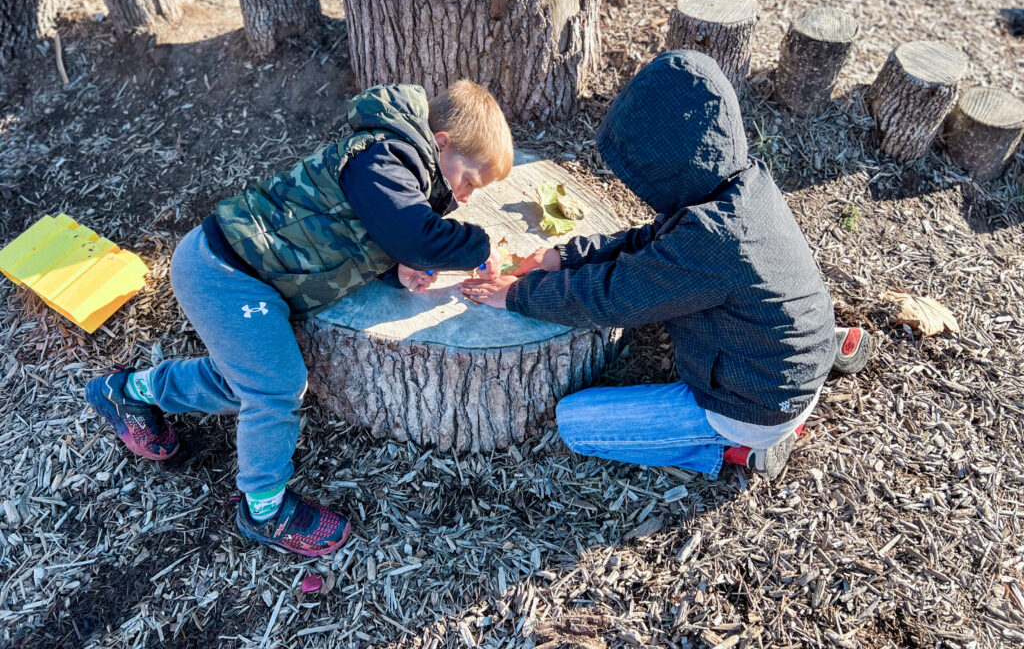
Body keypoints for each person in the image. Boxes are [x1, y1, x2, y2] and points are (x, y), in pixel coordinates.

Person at [85, 82, 513, 556]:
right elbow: (408, 230)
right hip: (227, 270)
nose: (468, 197)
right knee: (276, 387)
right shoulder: (385, 155)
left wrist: (397, 266)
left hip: (249, 277)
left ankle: (128, 392)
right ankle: (264, 511)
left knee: (246, 382)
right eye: (470, 180)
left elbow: (364, 233)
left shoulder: (403, 170)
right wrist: (476, 246)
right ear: (442, 142)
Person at [462, 51, 871, 480]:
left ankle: (734, 448)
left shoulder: (711, 240)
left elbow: (614, 296)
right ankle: (823, 358)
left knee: (576, 424)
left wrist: (515, 296)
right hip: (800, 351)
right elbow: (651, 241)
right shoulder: (744, 184)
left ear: (669, 161)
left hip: (756, 406)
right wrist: (562, 256)